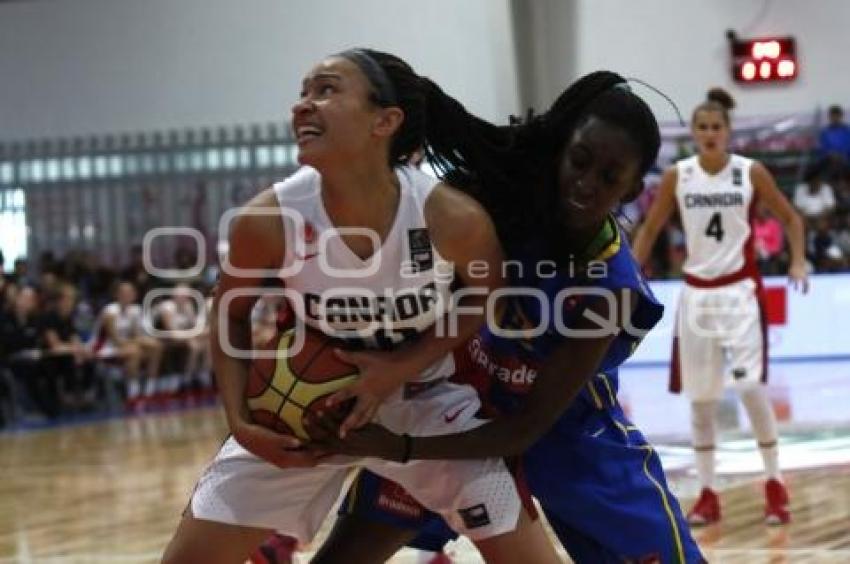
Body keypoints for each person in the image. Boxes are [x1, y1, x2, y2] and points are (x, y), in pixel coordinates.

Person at [161, 48, 560, 564]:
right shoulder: (267, 220)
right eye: (303, 92)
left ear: (384, 121)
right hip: (304, 410)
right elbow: (230, 312)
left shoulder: (450, 216)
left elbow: (486, 299)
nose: (303, 106)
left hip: (425, 401)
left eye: (326, 90)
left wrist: (395, 369)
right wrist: (241, 423)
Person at [301, 71, 704, 563]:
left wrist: (400, 446)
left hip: (568, 436)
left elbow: (528, 427)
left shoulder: (608, 289)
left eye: (608, 176)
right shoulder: (503, 205)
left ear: (633, 187)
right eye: (579, 160)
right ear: (561, 149)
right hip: (458, 405)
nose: (586, 183)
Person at [632, 88, 808, 525]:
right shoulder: (679, 174)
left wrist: (799, 259)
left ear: (728, 132)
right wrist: (632, 273)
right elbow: (650, 229)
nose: (710, 134)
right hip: (696, 295)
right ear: (693, 133)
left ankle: (774, 484)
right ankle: (708, 493)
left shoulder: (750, 172)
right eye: (703, 128)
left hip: (740, 292)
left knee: (750, 388)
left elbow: (792, 218)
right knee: (701, 402)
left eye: (716, 127)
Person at [93, 280, 163, 410]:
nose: (128, 295)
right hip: (106, 348)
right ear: (117, 295)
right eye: (124, 292)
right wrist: (136, 342)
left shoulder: (135, 310)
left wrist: (141, 342)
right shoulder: (110, 311)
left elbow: (136, 334)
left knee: (156, 346)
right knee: (134, 351)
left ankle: (149, 389)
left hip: (128, 345)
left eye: (130, 292)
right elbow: (115, 340)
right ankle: (133, 393)